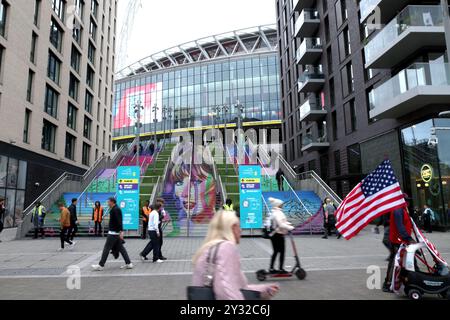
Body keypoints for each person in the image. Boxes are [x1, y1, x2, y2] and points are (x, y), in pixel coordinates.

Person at [192, 210, 279, 300]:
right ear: (232, 228)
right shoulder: (226, 248)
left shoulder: (208, 249)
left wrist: (264, 290)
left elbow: (238, 288)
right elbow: (226, 291)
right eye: (239, 226)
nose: (241, 230)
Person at [382, 194, 414, 292]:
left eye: (408, 200)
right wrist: (409, 239)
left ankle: (405, 281)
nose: (408, 202)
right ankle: (387, 283)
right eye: (406, 200)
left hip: (401, 241)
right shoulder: (398, 210)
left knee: (402, 262)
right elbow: (400, 227)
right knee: (394, 263)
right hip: (397, 242)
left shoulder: (402, 210)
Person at [92, 198, 134, 271]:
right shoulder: (115, 209)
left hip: (113, 233)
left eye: (108, 202)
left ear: (112, 202)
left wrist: (121, 231)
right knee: (121, 248)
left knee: (106, 248)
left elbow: (119, 221)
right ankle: (129, 263)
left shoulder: (116, 209)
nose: (107, 203)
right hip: (115, 233)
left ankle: (101, 265)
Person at [268, 197, 294, 273]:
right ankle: (278, 269)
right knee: (280, 251)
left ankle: (273, 268)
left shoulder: (277, 212)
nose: (282, 205)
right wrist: (290, 227)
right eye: (281, 204)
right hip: (277, 235)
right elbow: (281, 224)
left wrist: (289, 224)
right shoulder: (277, 213)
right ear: (278, 205)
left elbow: (283, 222)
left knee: (277, 251)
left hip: (276, 235)